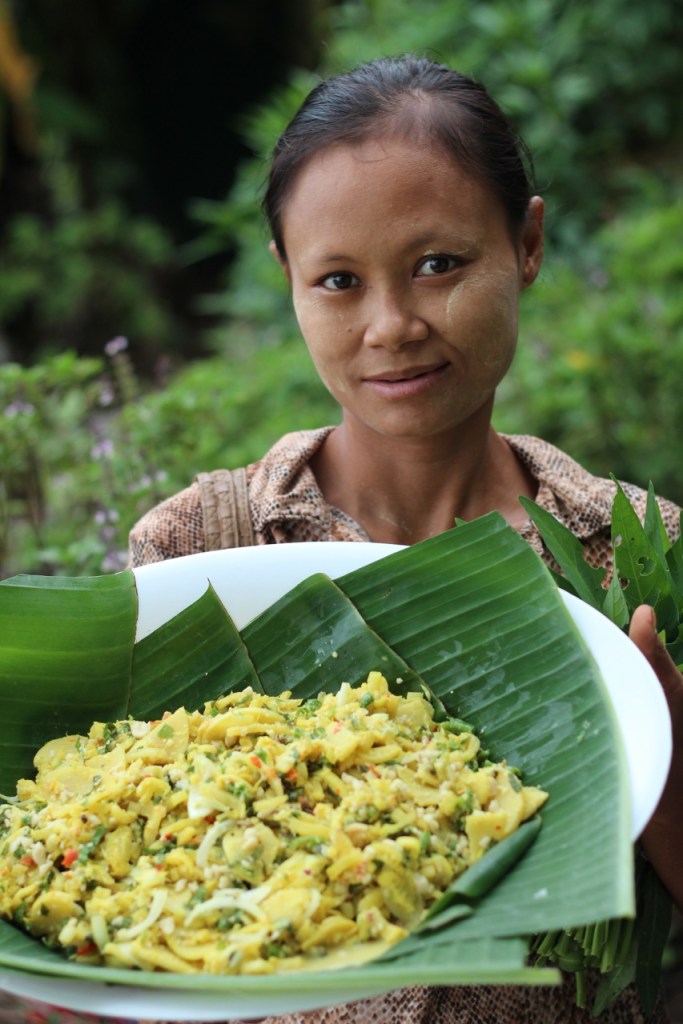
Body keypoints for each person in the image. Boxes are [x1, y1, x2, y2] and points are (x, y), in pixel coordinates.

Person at [6, 53, 682, 1024]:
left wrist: (660, 743)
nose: (390, 325)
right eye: (336, 280)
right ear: (286, 278)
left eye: (438, 265)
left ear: (526, 244)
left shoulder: (640, 553)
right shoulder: (199, 550)